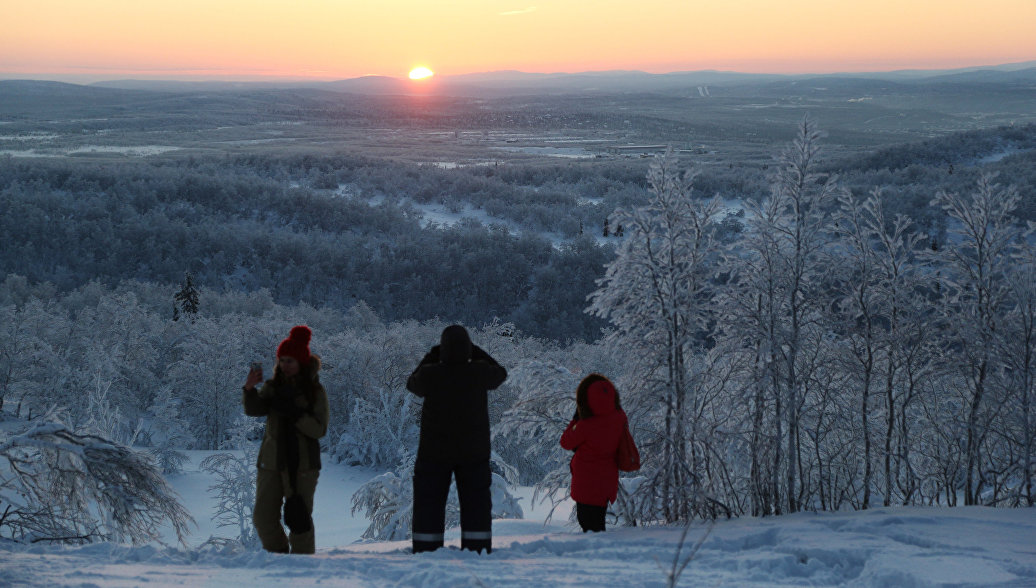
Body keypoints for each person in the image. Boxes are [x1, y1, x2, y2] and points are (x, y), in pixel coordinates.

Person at [406, 325, 507, 554]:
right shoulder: (479, 372)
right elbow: (500, 373)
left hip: (434, 451)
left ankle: (426, 547)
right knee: (476, 503)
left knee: (428, 502)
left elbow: (412, 383)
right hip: (474, 451)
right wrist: (476, 352)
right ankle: (477, 548)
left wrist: (432, 356)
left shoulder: (431, 374)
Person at [242, 325, 329, 554]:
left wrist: (295, 413)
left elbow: (319, 429)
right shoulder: (273, 387)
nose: (285, 365)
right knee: (263, 518)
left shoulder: (314, 391)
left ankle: (301, 569)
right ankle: (280, 558)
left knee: (298, 519)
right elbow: (255, 409)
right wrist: (250, 389)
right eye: (282, 360)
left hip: (303, 465)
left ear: (301, 362)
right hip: (271, 461)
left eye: (290, 360)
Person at [560, 374, 627, 533]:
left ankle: (595, 554)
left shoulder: (585, 424)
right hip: (606, 480)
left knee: (587, 525)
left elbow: (566, 442)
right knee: (598, 522)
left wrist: (575, 420)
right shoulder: (619, 417)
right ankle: (602, 552)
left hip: (586, 482)